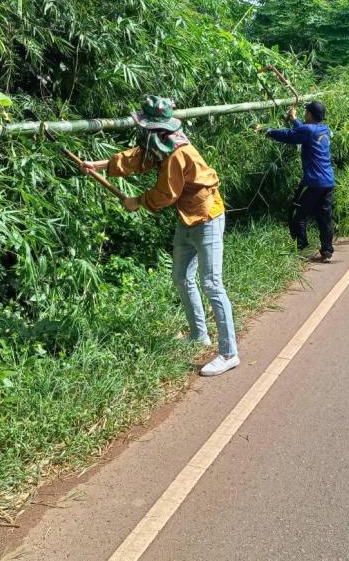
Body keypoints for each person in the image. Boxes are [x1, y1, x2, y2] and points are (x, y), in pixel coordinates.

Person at [80, 95, 240, 377]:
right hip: (186, 218)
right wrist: (99, 165)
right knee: (181, 277)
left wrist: (137, 201)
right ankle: (199, 335)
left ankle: (229, 353)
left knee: (211, 284)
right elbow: (138, 158)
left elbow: (166, 194)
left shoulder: (177, 152)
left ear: (156, 128)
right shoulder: (162, 143)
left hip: (207, 217)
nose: (141, 130)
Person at [262, 100, 335, 262]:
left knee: (296, 214)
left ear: (309, 114)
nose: (305, 114)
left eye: (306, 112)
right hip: (328, 182)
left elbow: (289, 135)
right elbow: (303, 131)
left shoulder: (307, 130)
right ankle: (327, 251)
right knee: (325, 218)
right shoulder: (325, 129)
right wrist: (294, 119)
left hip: (312, 182)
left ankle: (302, 248)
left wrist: (267, 131)